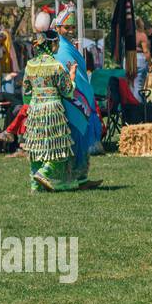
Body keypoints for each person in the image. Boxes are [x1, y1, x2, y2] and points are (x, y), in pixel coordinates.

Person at [21, 26, 99, 192]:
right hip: (53, 110)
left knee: (38, 146)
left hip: (35, 110)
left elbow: (26, 89)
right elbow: (68, 90)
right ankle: (44, 172)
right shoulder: (55, 65)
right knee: (58, 146)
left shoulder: (30, 65)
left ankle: (35, 185)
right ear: (51, 45)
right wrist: (71, 75)